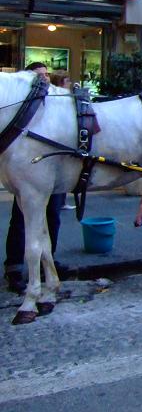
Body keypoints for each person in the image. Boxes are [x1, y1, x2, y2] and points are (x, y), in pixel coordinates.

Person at [4, 62, 70, 294]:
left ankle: (47, 263)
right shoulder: (23, 109)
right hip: (33, 171)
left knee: (52, 217)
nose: (44, 79)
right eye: (39, 75)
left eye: (46, 75)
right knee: (23, 220)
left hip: (55, 168)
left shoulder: (55, 105)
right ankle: (14, 267)